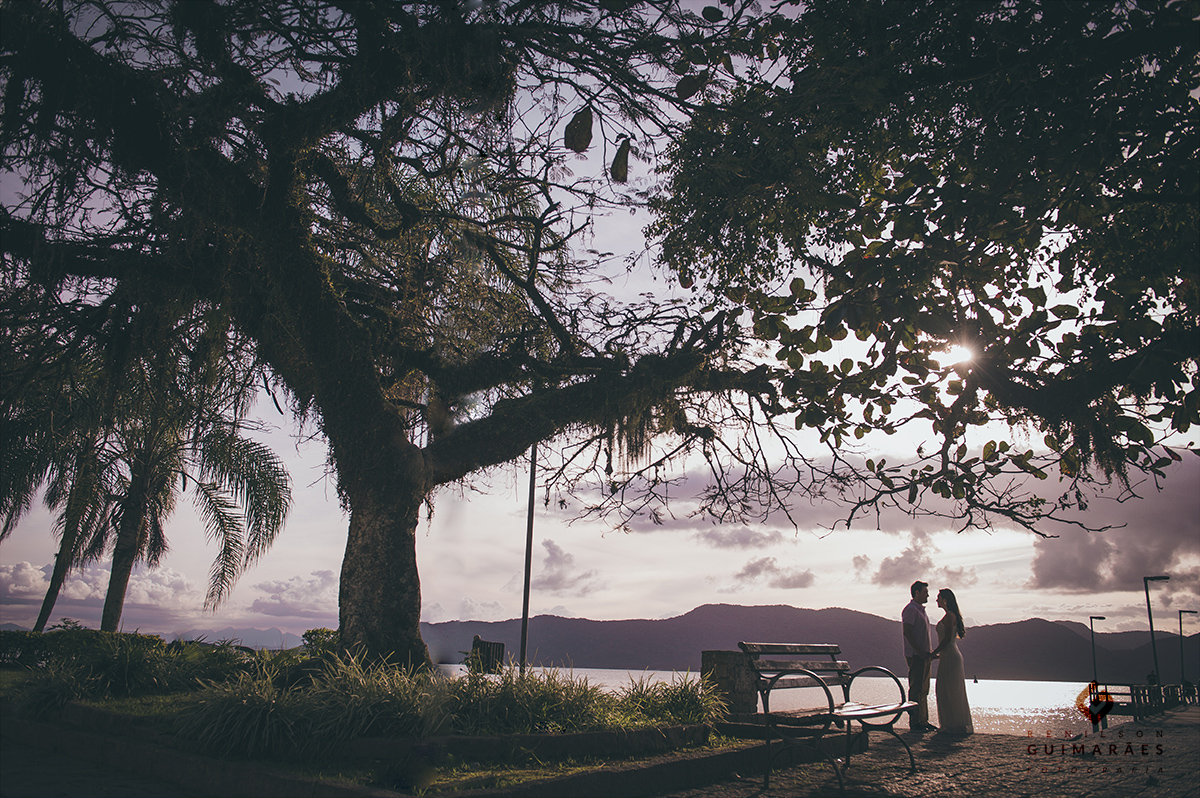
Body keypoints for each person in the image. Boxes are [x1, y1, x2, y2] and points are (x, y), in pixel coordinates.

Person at [932, 588, 974, 734]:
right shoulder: (949, 615)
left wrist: (933, 653)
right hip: (948, 655)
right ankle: (950, 724)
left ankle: (952, 725)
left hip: (950, 654)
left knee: (947, 688)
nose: (936, 600)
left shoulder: (950, 616)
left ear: (945, 599)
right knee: (946, 688)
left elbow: (947, 639)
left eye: (938, 597)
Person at [902, 580, 936, 731]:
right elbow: (907, 632)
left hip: (924, 655)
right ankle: (915, 722)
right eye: (925, 592)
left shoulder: (921, 610)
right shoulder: (910, 610)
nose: (927, 595)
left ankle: (923, 720)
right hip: (916, 655)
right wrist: (920, 652)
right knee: (916, 688)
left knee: (924, 688)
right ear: (916, 593)